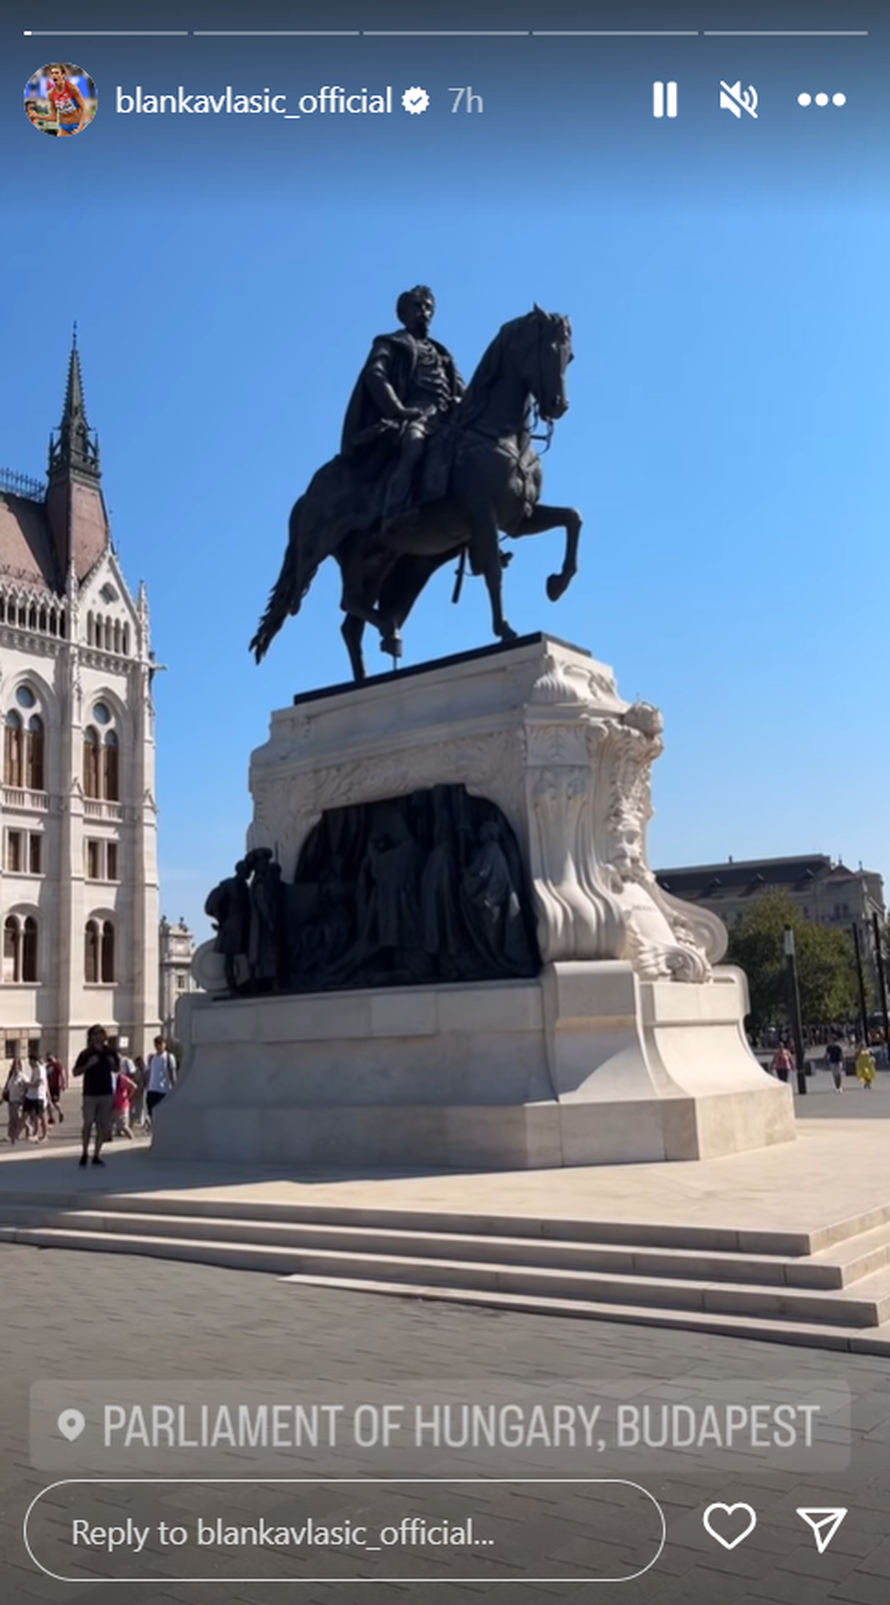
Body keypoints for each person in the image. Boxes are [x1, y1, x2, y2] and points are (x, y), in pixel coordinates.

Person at [341, 285, 464, 532]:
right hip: (412, 413)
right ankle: (393, 511)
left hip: (445, 417)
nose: (424, 312)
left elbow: (460, 387)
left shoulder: (441, 353)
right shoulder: (390, 344)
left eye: (429, 307)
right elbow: (375, 374)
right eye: (418, 306)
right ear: (403, 313)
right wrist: (397, 409)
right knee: (414, 444)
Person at [71, 1024, 120, 1167]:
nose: (99, 1037)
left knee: (102, 1126)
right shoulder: (86, 1053)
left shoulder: (110, 1052)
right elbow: (75, 1072)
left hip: (106, 1093)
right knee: (87, 1123)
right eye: (96, 1034)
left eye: (101, 1034)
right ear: (91, 1037)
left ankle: (96, 1154)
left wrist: (113, 1065)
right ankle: (85, 1152)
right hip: (90, 1093)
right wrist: (88, 1065)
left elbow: (117, 1069)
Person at [43, 64, 89, 136]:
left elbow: (83, 109)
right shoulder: (50, 93)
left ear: (63, 75)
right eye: (52, 73)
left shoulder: (71, 88)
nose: (54, 75)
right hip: (64, 127)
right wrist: (36, 116)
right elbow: (53, 117)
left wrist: (79, 129)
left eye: (57, 73)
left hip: (78, 125)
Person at [145, 1035, 177, 1123]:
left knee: (163, 1115)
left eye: (160, 1044)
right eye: (156, 1044)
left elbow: (172, 1074)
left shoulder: (169, 1057)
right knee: (152, 1114)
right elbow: (149, 1073)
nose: (158, 1046)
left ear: (164, 1044)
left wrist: (175, 1090)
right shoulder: (151, 1058)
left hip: (163, 1091)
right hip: (152, 1090)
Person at [23, 1054, 49, 1142]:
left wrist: (27, 1084)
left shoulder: (40, 1069)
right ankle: (36, 1133)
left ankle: (45, 1135)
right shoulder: (35, 1069)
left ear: (34, 1060)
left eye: (30, 1061)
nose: (29, 1063)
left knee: (41, 1115)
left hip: (39, 1095)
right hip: (33, 1095)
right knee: (35, 1116)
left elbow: (38, 1083)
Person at [4, 1059, 29, 1143]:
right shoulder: (12, 1076)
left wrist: (24, 1095)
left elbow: (28, 1086)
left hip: (18, 1100)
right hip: (11, 1099)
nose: (14, 1068)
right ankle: (10, 1135)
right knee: (12, 1119)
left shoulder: (22, 1076)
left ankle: (25, 1128)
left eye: (16, 1066)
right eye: (13, 1066)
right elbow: (8, 1087)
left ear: (19, 1066)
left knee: (16, 1118)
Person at [111, 1061, 137, 1140]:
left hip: (121, 1105)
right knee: (107, 1126)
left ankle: (133, 1141)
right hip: (112, 1105)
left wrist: (128, 1097)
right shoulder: (108, 1077)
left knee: (123, 1126)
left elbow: (134, 1086)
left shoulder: (121, 1078)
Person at [45, 1054, 67, 1122]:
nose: (49, 1060)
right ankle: (51, 1117)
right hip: (48, 1086)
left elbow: (62, 1074)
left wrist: (64, 1084)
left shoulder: (58, 1065)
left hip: (55, 1086)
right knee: (48, 1101)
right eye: (48, 1058)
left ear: (54, 1058)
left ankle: (61, 1112)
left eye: (51, 1058)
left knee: (55, 1102)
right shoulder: (47, 1066)